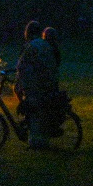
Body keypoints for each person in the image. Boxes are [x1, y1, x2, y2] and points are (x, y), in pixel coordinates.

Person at [15, 21, 60, 149]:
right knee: (39, 110)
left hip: (39, 85)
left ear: (27, 33)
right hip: (50, 82)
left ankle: (36, 142)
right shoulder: (44, 44)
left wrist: (19, 82)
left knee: (32, 108)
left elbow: (21, 66)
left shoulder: (30, 46)